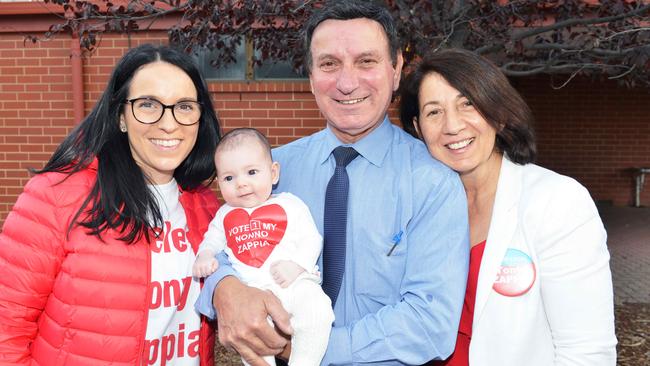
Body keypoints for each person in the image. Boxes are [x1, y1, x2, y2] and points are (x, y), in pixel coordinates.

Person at [195, 1, 470, 365]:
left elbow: (429, 325)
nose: (346, 82)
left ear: (396, 70)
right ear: (310, 77)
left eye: (366, 61)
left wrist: (306, 350)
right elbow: (227, 238)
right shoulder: (273, 169)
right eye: (329, 64)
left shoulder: (432, 184)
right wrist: (223, 289)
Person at [0, 44, 221, 366]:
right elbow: (7, 329)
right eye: (148, 105)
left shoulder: (207, 206)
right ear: (120, 116)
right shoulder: (57, 195)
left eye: (184, 106)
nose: (169, 123)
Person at [399, 48, 617, 365]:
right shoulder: (414, 206)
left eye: (467, 104)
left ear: (498, 114)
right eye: (434, 112)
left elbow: (586, 352)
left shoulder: (557, 202)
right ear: (418, 129)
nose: (453, 126)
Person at [192, 128, 334, 366]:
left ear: (273, 172)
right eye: (229, 178)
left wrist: (297, 265)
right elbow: (212, 240)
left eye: (251, 172)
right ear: (219, 182)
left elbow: (311, 239)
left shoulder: (291, 204)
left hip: (293, 284)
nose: (242, 184)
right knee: (254, 336)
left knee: (318, 310)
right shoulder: (224, 214)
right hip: (253, 293)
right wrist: (205, 255)